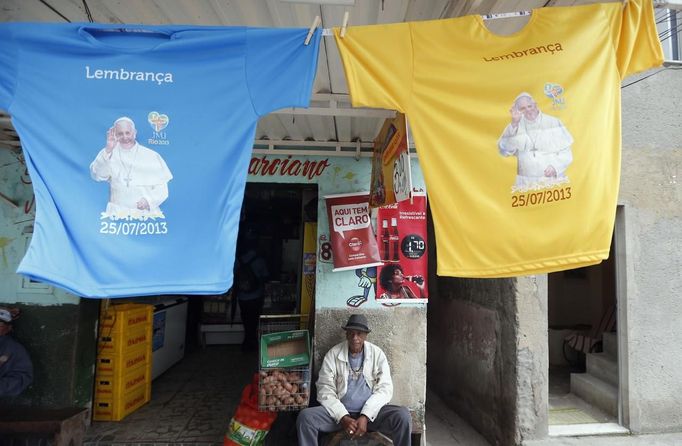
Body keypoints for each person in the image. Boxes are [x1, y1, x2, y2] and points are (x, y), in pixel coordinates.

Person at [296, 314, 411, 446]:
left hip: (372, 415)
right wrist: (343, 417)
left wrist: (365, 416)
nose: (355, 338)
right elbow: (324, 389)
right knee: (305, 418)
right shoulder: (333, 355)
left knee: (403, 416)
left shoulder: (377, 354)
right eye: (351, 333)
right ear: (346, 334)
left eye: (359, 334)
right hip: (338, 415)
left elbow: (385, 389)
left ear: (366, 335)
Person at [90, 117, 173, 219]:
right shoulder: (109, 153)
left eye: (127, 133)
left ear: (134, 132)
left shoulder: (151, 155)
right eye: (120, 134)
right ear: (115, 134)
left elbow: (162, 188)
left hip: (145, 215)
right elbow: (97, 175)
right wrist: (108, 149)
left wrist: (148, 200)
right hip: (117, 214)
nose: (125, 137)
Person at [497, 92, 574, 192]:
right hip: (526, 183)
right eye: (522, 108)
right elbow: (504, 150)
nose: (528, 110)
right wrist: (514, 123)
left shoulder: (553, 122)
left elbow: (567, 152)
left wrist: (554, 167)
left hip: (552, 181)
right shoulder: (514, 126)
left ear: (535, 104)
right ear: (517, 111)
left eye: (530, 106)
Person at [234, 235, 269, 352]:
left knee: (245, 319)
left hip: (242, 297)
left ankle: (246, 342)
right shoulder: (260, 260)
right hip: (256, 296)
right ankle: (252, 342)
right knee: (254, 320)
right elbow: (265, 277)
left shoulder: (238, 260)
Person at [0, 307, 33, 397]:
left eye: (0, 325)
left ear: (9, 328)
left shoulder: (14, 349)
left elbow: (23, 377)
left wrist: (3, 386)